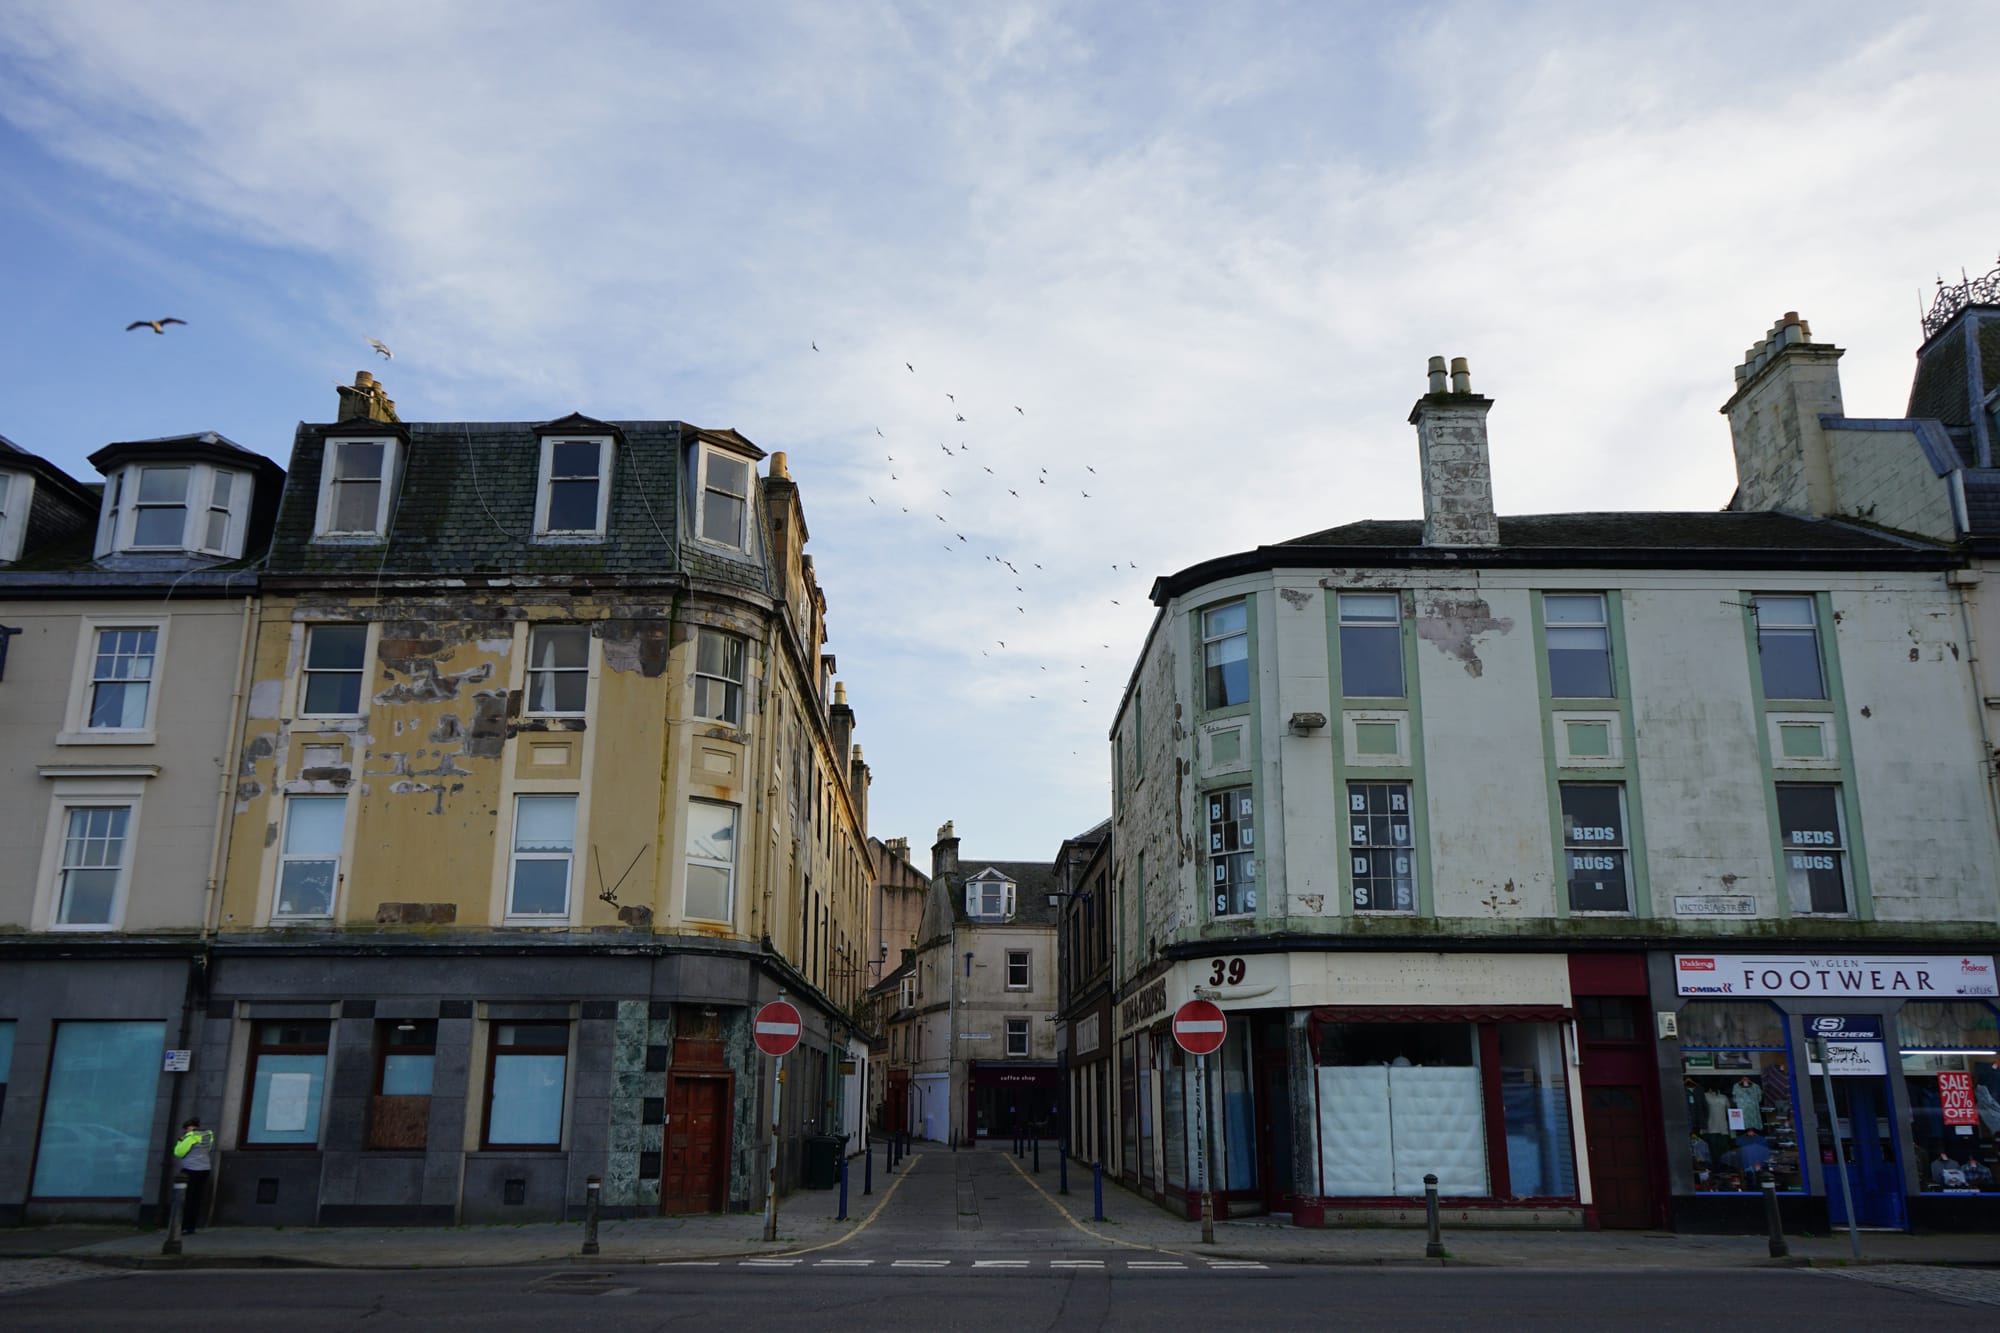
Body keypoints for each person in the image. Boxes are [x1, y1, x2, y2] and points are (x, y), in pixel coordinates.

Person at [173, 1117, 215, 1232]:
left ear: (189, 1128)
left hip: (191, 1169)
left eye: (186, 1129)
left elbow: (178, 1152)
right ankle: (192, 1226)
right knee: (197, 1197)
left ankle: (185, 1225)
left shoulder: (190, 1137)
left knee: (188, 1198)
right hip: (204, 1169)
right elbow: (209, 1149)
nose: (186, 1131)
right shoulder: (208, 1136)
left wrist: (180, 1141)